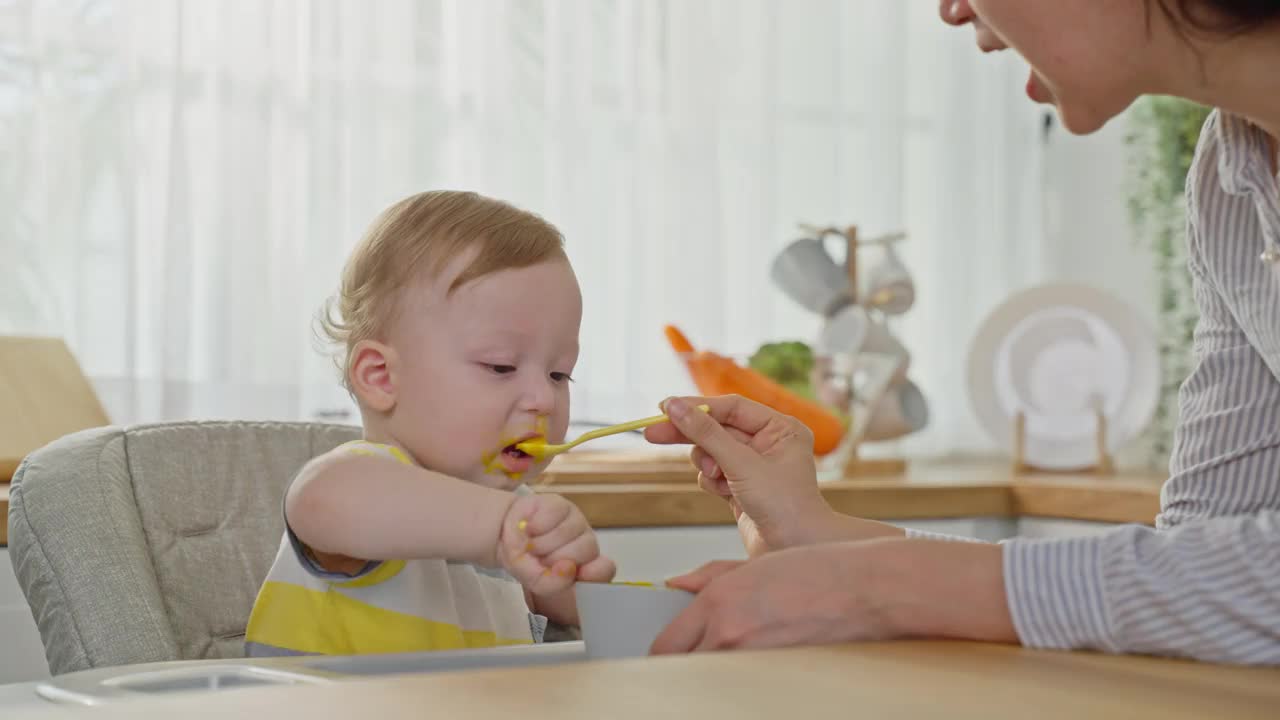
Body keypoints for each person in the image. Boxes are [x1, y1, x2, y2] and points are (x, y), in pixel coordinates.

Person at [645, 0, 1280, 665]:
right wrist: (823, 540)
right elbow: (1213, 556)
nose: (951, 11)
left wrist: (885, 587)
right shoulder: (1230, 173)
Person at [245, 190, 615, 657]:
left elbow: (572, 608)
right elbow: (319, 501)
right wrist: (501, 528)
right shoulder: (364, 480)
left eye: (559, 373)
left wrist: (580, 576)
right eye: (501, 366)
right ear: (380, 377)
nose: (544, 398)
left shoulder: (512, 510)